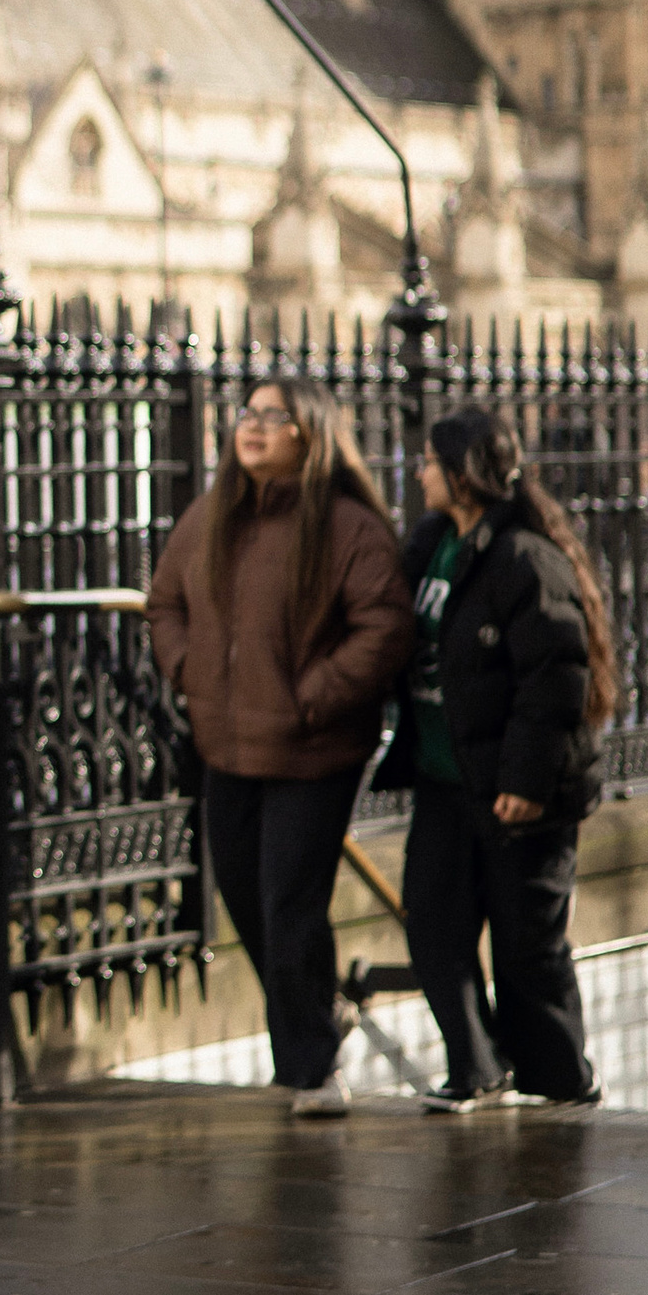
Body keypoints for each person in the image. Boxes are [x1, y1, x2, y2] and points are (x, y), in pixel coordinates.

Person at [145, 373, 413, 1119]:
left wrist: (312, 696)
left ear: (309, 433)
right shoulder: (210, 517)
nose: (253, 426)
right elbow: (164, 602)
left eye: (273, 416)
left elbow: (383, 627)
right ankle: (318, 1025)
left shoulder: (349, 528)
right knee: (244, 896)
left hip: (313, 750)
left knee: (289, 900)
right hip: (224, 744)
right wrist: (185, 668)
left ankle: (309, 1068)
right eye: (248, 413)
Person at [377, 406, 611, 1113]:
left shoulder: (523, 557)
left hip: (519, 791)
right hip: (447, 779)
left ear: (462, 473)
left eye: (427, 462)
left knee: (526, 947)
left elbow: (558, 675)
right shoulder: (430, 545)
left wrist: (526, 781)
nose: (417, 472)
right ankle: (476, 1067)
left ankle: (561, 1086)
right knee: (433, 923)